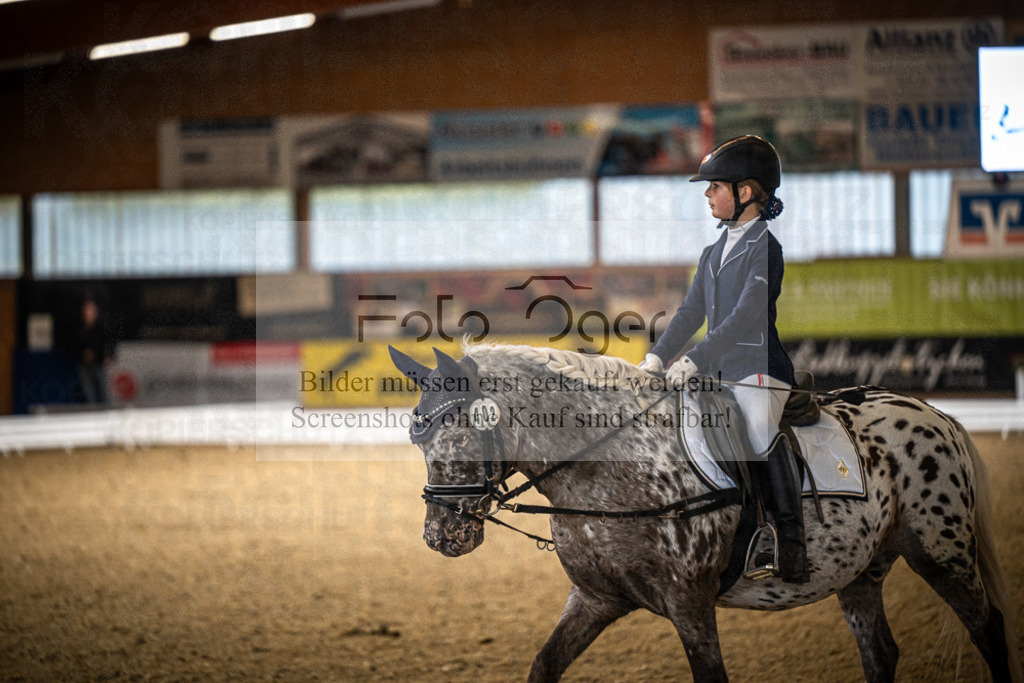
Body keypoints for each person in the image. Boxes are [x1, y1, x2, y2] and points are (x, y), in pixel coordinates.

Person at [638, 135, 807, 583]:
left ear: (745, 193)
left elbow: (746, 316)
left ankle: (786, 539)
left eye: (715, 186)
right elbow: (691, 312)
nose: (707, 194)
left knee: (756, 432)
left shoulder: (765, 249)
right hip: (715, 373)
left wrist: (694, 358)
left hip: (758, 371)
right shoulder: (712, 253)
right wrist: (656, 358)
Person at [74, 295, 111, 405]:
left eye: (90, 309)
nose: (88, 312)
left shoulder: (101, 327)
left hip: (100, 364)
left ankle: (107, 416)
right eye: (86, 309)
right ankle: (94, 417)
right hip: (85, 366)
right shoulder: (80, 328)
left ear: (95, 310)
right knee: (89, 394)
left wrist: (106, 355)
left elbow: (106, 344)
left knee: (104, 393)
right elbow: (76, 345)